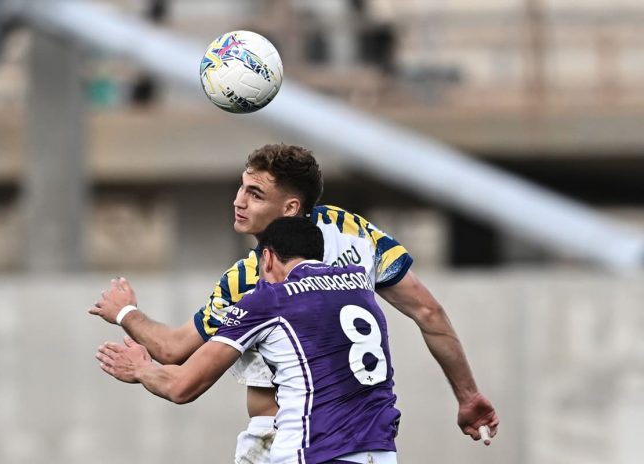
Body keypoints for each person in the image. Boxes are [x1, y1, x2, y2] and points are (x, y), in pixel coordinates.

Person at [90, 143, 498, 463]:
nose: (239, 201)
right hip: (374, 441)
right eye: (241, 188)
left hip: (292, 439)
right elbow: (428, 312)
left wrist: (125, 313)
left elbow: (174, 354)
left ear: (290, 208)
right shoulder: (352, 234)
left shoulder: (255, 284)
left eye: (254, 194)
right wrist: (467, 395)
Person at [97, 217, 402, 463]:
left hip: (317, 452)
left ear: (266, 257)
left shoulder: (270, 299)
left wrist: (140, 368)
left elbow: (181, 386)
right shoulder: (360, 287)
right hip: (382, 452)